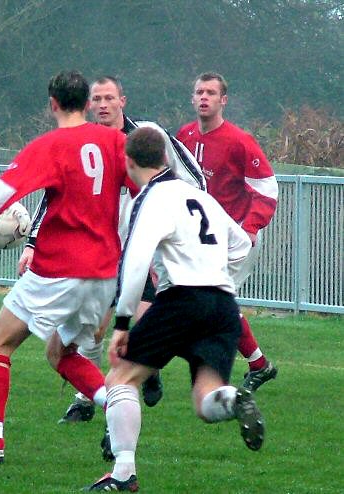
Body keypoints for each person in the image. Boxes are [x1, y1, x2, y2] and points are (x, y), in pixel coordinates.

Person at [0, 70, 136, 464]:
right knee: (61, 354)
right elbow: (144, 191)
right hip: (102, 275)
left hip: (58, 270)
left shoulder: (50, 145)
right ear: (87, 103)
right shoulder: (117, 141)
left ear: (52, 104)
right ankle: (114, 409)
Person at [19, 76, 205, 425]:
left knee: (143, 316)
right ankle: (87, 398)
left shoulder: (148, 137)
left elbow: (193, 177)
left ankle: (145, 368)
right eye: (97, 99)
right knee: (91, 328)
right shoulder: (84, 142)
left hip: (144, 246)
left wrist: (182, 221)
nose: (103, 105)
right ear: (88, 105)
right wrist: (32, 243)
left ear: (123, 100)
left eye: (109, 98)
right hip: (99, 247)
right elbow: (53, 195)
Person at [86, 126, 263, 491]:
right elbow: (242, 245)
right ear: (166, 158)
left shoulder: (149, 199)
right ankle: (233, 399)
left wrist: (122, 321)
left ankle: (123, 473)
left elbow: (134, 262)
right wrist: (217, 272)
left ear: (128, 161)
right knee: (206, 398)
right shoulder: (200, 196)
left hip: (182, 299)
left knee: (120, 377)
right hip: (223, 303)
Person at [176, 72, 279, 391]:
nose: (203, 97)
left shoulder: (239, 141)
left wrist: (250, 228)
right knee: (211, 302)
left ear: (224, 100)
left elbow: (267, 189)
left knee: (212, 301)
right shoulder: (185, 136)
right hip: (202, 237)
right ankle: (259, 364)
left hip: (236, 238)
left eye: (211, 92)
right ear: (192, 98)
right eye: (199, 92)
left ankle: (215, 373)